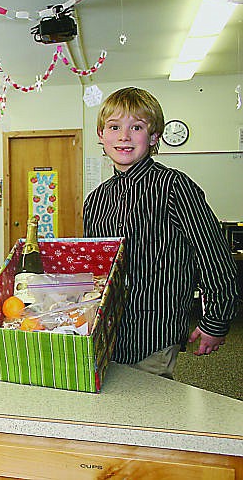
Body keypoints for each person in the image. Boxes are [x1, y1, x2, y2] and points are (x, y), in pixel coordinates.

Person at [83, 86, 238, 379]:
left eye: (136, 127)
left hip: (154, 334)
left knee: (148, 412)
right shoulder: (95, 200)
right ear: (102, 136)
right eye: (114, 127)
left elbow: (214, 256)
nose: (124, 136)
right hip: (107, 333)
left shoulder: (174, 187)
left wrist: (215, 321)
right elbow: (97, 271)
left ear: (154, 137)